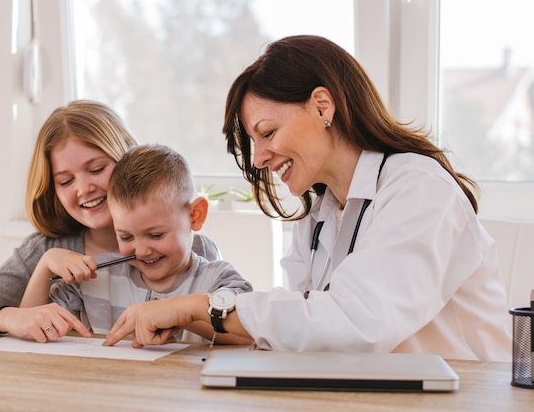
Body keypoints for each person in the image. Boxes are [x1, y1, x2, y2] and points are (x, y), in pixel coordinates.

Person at [103, 35, 512, 362]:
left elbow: (359, 323)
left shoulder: (417, 188)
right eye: (253, 141)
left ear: (321, 105)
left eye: (267, 133)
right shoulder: (318, 215)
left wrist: (201, 306)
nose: (260, 157)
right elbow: (306, 327)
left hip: (466, 396)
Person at [0, 100, 221, 342]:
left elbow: (233, 330)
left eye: (96, 169)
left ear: (126, 160)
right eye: (66, 180)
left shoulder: (194, 250)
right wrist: (13, 316)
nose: (83, 189)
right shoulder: (46, 248)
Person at [20, 143, 253, 345]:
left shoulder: (219, 279)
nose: (141, 251)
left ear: (195, 215)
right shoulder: (94, 279)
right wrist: (44, 267)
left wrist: (183, 314)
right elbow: (31, 332)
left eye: (156, 235)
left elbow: (251, 334)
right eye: (126, 237)